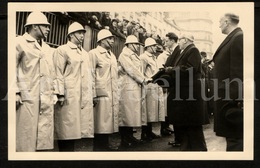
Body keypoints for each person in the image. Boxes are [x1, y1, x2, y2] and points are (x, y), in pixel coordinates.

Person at [15, 11, 57, 152]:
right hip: (27, 95)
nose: (48, 29)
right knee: (26, 135)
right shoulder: (19, 42)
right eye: (45, 26)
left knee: (42, 137)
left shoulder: (47, 48)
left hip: (45, 96)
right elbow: (10, 68)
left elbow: (52, 72)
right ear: (34, 26)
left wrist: (54, 92)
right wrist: (15, 92)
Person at [53, 22, 94, 151]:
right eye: (79, 33)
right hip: (68, 94)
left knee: (76, 128)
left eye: (83, 33)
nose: (82, 35)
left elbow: (90, 75)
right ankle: (64, 155)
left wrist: (92, 94)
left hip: (82, 94)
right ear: (71, 35)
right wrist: (59, 93)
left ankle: (71, 155)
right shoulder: (62, 50)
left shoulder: (85, 54)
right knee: (66, 128)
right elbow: (57, 72)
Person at [165, 33, 208, 151]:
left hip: (189, 94)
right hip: (186, 93)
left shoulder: (193, 50)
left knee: (192, 125)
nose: (178, 42)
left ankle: (197, 150)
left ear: (185, 40)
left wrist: (172, 69)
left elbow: (191, 68)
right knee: (188, 125)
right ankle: (189, 148)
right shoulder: (186, 51)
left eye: (180, 40)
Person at [212, 13, 243, 151]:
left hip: (230, 101)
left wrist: (234, 100)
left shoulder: (238, 37)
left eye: (220, 21)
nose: (219, 25)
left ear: (226, 22)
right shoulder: (234, 37)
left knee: (235, 139)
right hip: (227, 98)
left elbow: (238, 72)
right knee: (231, 138)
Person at [89, 29, 119, 151]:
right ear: (101, 40)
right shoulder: (93, 53)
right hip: (100, 90)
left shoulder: (112, 55)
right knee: (100, 120)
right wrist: (92, 93)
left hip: (110, 90)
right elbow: (90, 74)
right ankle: (98, 147)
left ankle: (105, 145)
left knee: (107, 119)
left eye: (112, 39)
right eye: (110, 38)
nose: (112, 41)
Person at [117, 35, 149, 147]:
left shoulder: (133, 55)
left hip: (134, 85)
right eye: (135, 44)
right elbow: (131, 69)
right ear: (129, 44)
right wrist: (143, 79)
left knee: (131, 113)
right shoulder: (124, 55)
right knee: (126, 113)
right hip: (127, 86)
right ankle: (124, 139)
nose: (136, 46)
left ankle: (129, 136)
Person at [140, 37, 165, 142]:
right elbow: (141, 72)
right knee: (147, 110)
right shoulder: (143, 57)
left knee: (152, 111)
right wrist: (146, 80)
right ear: (149, 47)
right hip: (148, 86)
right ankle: (144, 133)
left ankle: (149, 131)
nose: (155, 48)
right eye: (154, 46)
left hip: (155, 85)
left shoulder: (154, 58)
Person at [157, 32, 181, 143]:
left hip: (175, 84)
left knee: (176, 111)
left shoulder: (178, 51)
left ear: (172, 40)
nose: (165, 43)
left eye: (167, 41)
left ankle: (179, 138)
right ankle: (178, 138)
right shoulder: (174, 52)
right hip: (172, 84)